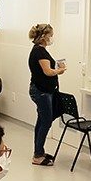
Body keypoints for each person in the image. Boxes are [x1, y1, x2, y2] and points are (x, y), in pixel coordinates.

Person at [28, 23, 66, 166]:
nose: (51, 38)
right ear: (43, 37)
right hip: (41, 91)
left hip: (43, 90)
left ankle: (39, 151)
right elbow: (47, 72)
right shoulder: (39, 51)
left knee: (42, 120)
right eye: (50, 36)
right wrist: (59, 71)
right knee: (45, 121)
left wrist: (56, 67)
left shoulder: (40, 50)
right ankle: (38, 156)